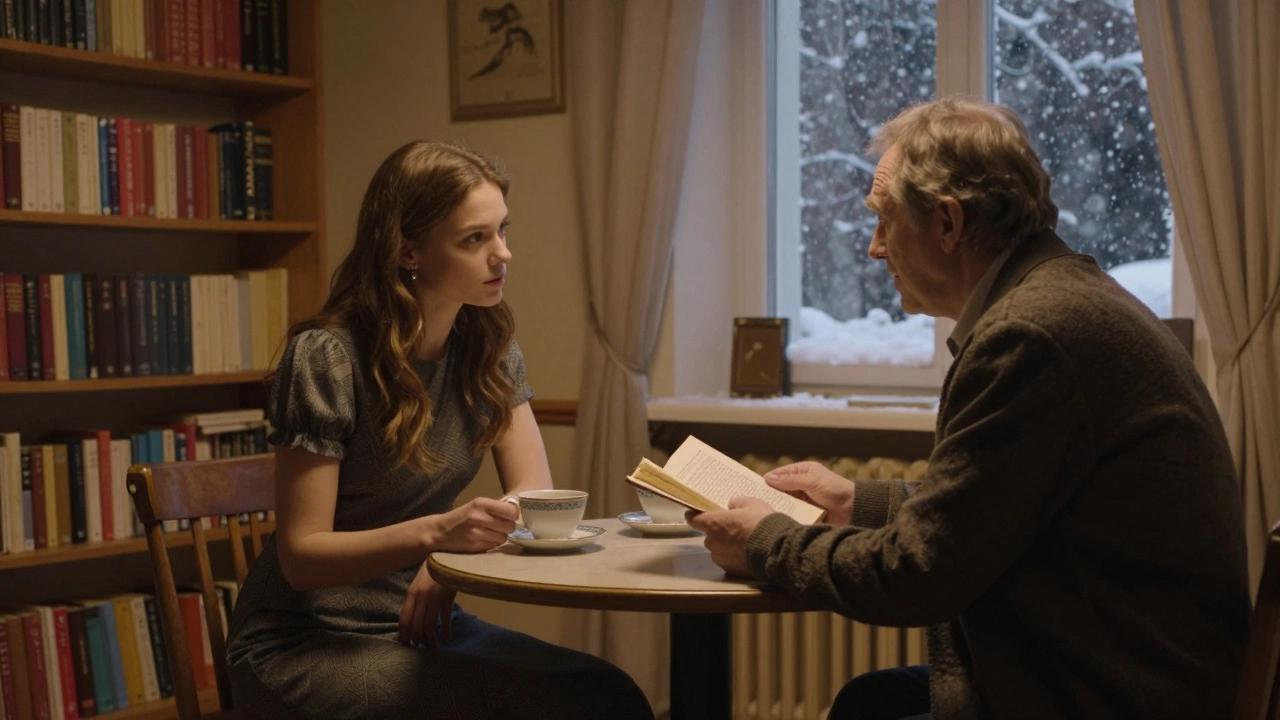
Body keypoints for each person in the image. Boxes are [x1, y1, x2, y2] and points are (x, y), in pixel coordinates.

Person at [687, 97, 1251, 720]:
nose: (875, 249)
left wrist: (767, 541)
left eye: (885, 219)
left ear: (949, 224)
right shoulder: (1062, 299)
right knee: (868, 701)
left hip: (1111, 697)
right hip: (1121, 672)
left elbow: (919, 575)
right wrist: (856, 502)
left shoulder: (1032, 336)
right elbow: (994, 506)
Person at [225, 141, 654, 720]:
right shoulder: (326, 357)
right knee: (537, 704)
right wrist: (437, 537)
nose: (503, 254)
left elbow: (533, 492)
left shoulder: (488, 349)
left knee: (609, 694)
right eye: (474, 239)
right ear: (408, 252)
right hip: (305, 639)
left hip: (417, 621)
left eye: (502, 230)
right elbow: (302, 556)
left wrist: (444, 564)